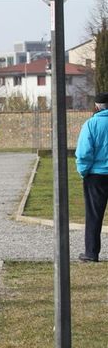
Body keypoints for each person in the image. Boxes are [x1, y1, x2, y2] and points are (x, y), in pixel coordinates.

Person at [75, 92, 108, 263]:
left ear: (96, 106)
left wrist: (83, 171)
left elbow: (84, 153)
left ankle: (91, 252)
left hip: (96, 176)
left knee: (94, 215)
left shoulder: (91, 124)